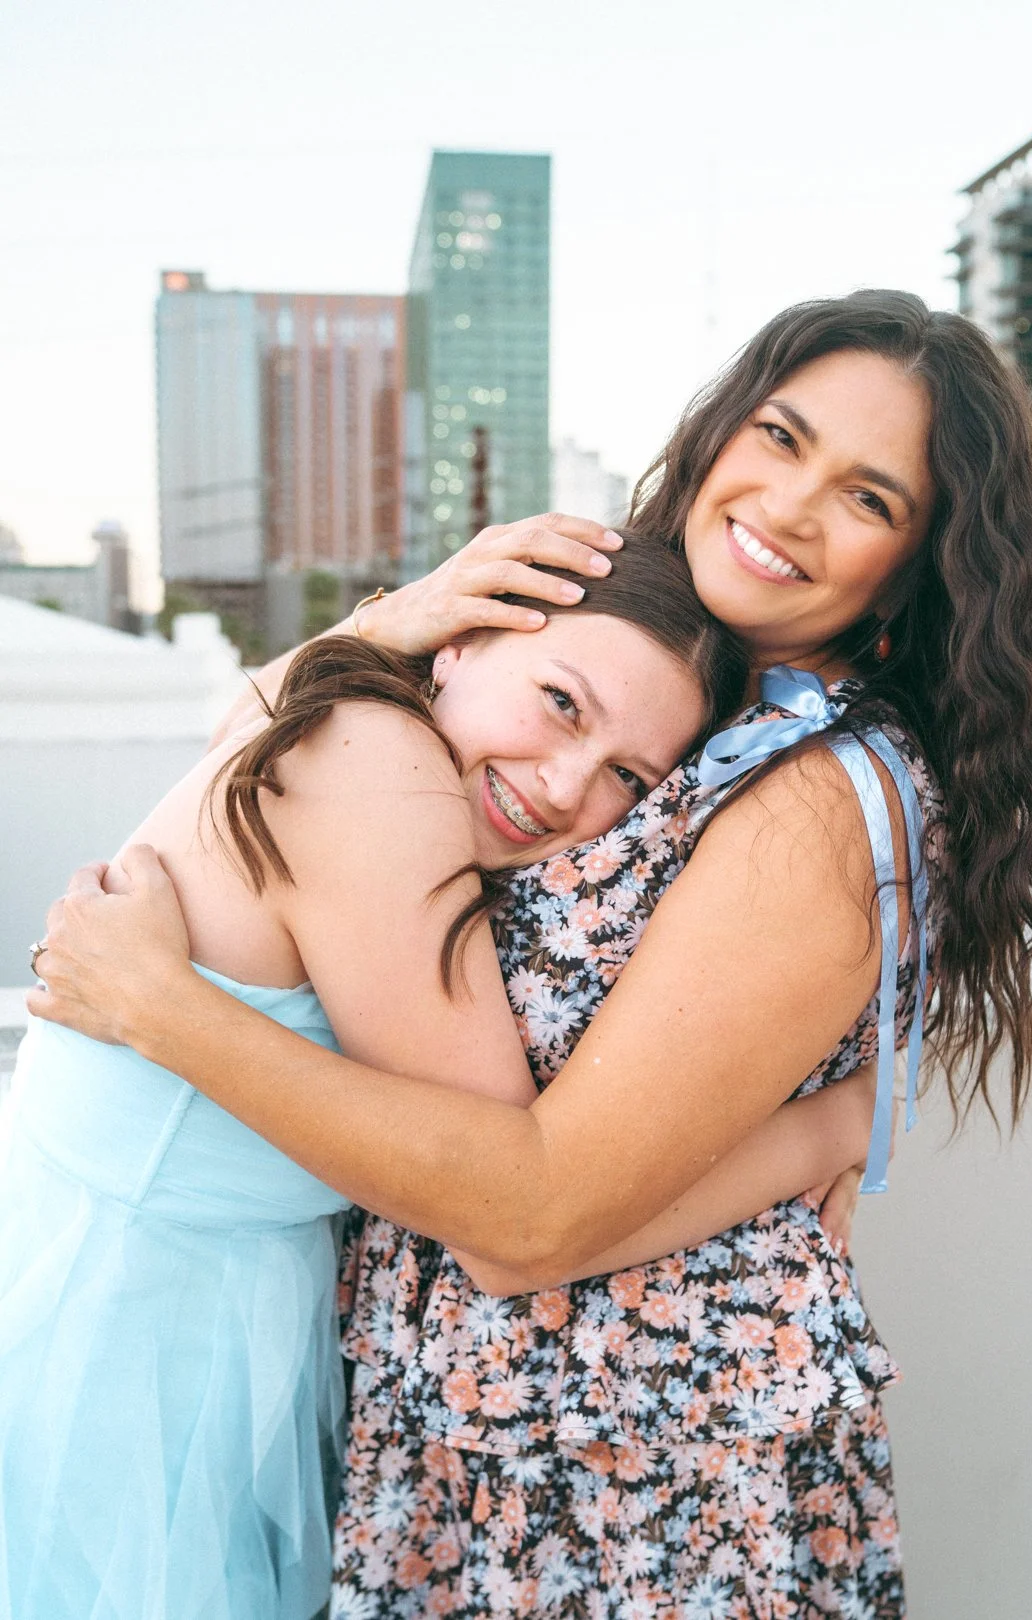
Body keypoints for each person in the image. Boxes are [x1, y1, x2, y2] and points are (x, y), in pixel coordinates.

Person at [30, 291, 1032, 1619]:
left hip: (621, 1469)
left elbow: (530, 1218)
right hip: (497, 1428)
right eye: (780, 433)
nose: (793, 503)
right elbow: (274, 758)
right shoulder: (687, 692)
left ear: (919, 562)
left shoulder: (813, 791)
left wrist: (163, 1011)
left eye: (869, 497)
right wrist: (393, 621)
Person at [7, 535, 875, 1620]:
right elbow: (512, 1210)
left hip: (174, 1310)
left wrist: (376, 621)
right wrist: (841, 1124)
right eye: (561, 702)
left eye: (628, 777)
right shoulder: (379, 763)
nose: (565, 786)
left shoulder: (345, 713)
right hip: (131, 1350)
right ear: (457, 644)